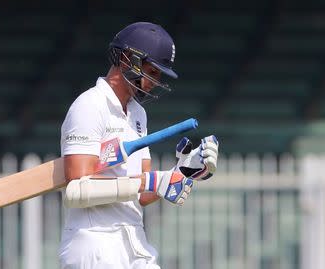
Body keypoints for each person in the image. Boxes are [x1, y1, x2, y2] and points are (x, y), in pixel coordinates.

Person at [58, 22, 219, 269]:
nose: (155, 81)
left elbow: (141, 195)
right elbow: (77, 190)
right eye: (152, 72)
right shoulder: (89, 106)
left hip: (134, 240)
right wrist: (149, 181)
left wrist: (182, 173)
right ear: (126, 59)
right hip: (94, 243)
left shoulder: (138, 114)